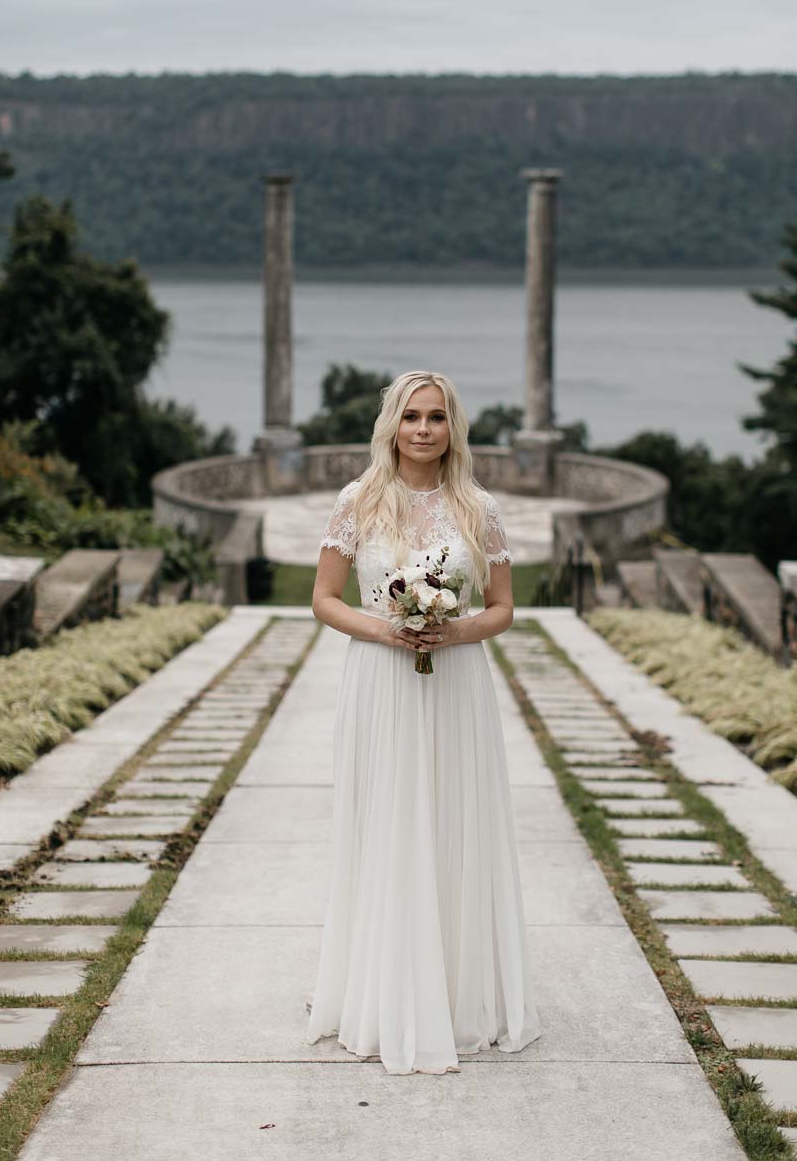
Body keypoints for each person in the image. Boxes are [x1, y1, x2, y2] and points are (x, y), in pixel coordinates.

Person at [304, 369, 543, 1074]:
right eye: (412, 416)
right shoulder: (359, 501)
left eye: (437, 417)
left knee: (451, 822)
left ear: (451, 428)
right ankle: (380, 991)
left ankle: (460, 993)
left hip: (455, 684)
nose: (423, 429)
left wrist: (455, 630)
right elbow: (323, 597)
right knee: (386, 824)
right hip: (379, 679)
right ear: (392, 424)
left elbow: (501, 606)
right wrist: (384, 629)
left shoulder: (478, 507)